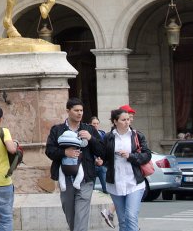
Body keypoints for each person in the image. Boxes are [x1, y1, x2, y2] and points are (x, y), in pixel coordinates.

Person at [45, 98, 103, 231]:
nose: (79, 113)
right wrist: (64, 152)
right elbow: (49, 151)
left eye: (81, 110)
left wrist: (91, 138)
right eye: (76, 110)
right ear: (68, 111)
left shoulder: (89, 129)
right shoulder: (57, 130)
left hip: (86, 178)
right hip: (66, 178)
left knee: (81, 216)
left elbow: (101, 151)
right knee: (71, 215)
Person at [100, 108, 152, 231]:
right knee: (122, 220)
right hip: (116, 183)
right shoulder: (108, 137)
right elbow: (105, 157)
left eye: (128, 119)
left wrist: (130, 156)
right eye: (123, 120)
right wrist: (101, 161)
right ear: (115, 121)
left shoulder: (137, 135)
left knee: (131, 216)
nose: (127, 122)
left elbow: (147, 155)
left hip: (134, 182)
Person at [90, 116, 108, 193]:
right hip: (91, 165)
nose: (96, 125)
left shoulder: (103, 134)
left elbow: (106, 149)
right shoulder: (87, 135)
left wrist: (102, 160)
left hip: (102, 164)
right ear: (90, 124)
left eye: (97, 123)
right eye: (94, 123)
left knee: (106, 188)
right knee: (91, 189)